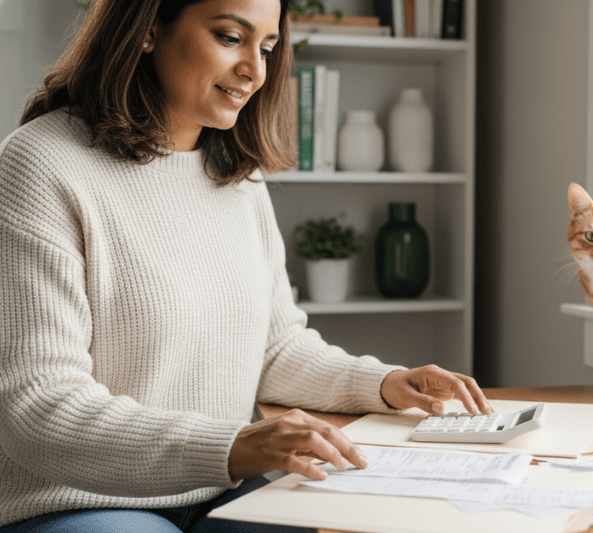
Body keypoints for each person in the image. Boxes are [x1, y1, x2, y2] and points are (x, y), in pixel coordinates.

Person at [0, 1, 492, 532]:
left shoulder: (237, 176)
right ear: (146, 28)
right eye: (230, 37)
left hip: (223, 485)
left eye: (266, 47)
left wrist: (384, 383)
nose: (254, 71)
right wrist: (231, 445)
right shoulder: (41, 166)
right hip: (79, 501)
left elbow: (275, 349)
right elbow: (38, 404)